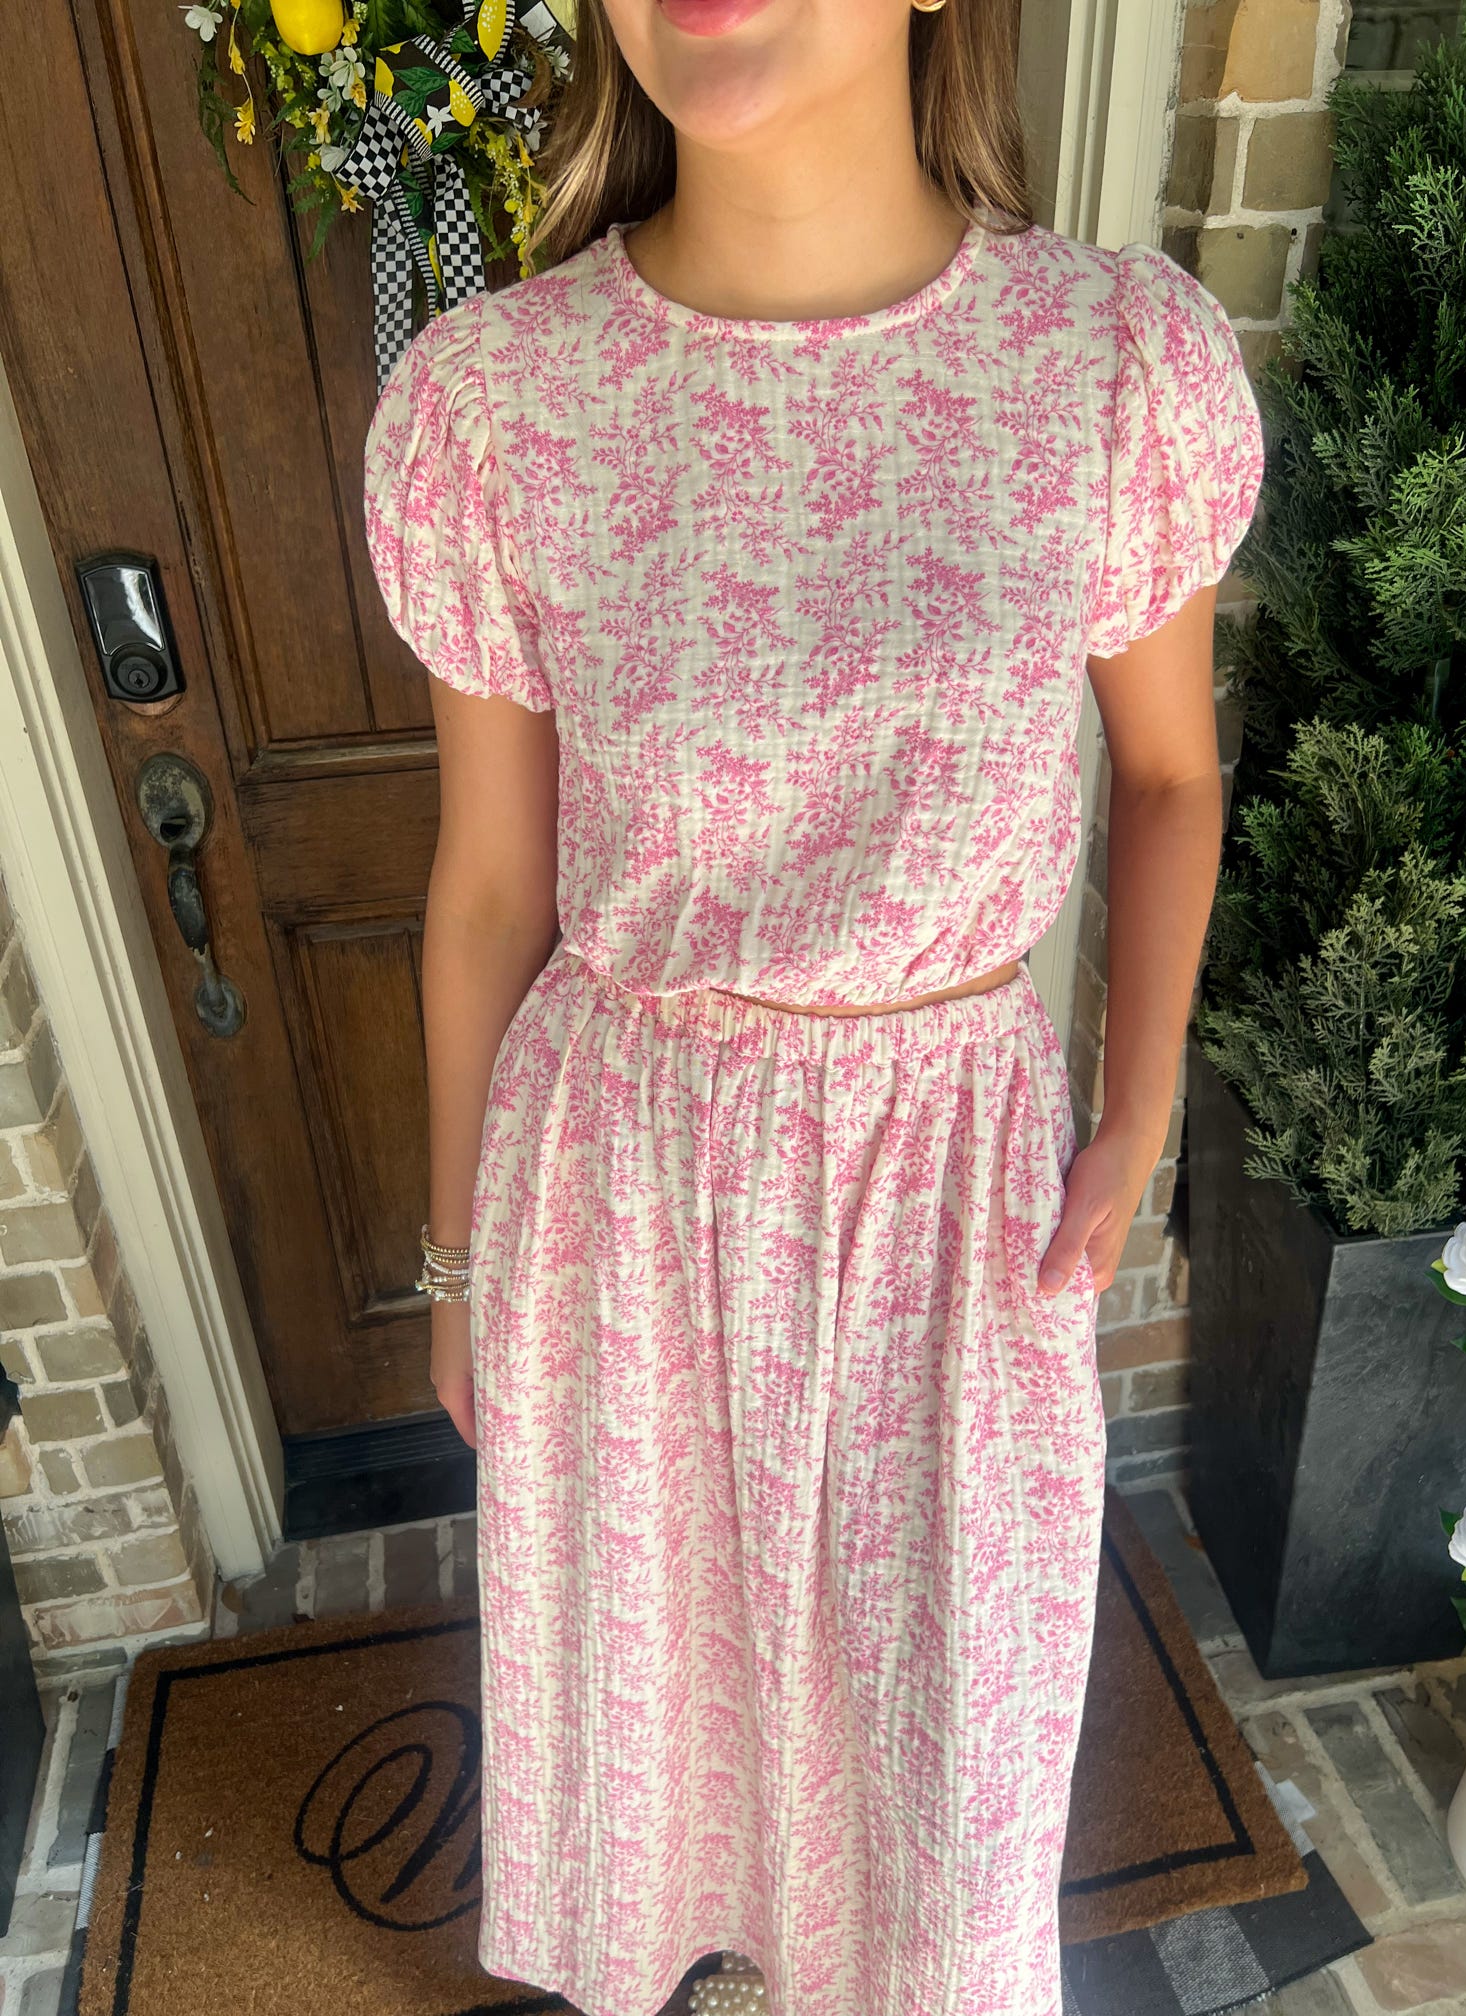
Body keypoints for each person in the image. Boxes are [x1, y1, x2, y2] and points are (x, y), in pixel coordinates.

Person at [361, 0, 1266, 2005]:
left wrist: (1136, 1112)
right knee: (655, 1738)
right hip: (618, 1202)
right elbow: (494, 880)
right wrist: (456, 1259)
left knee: (947, 1765)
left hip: (955, 1197)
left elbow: (1175, 777)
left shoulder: (1106, 366)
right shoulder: (499, 404)